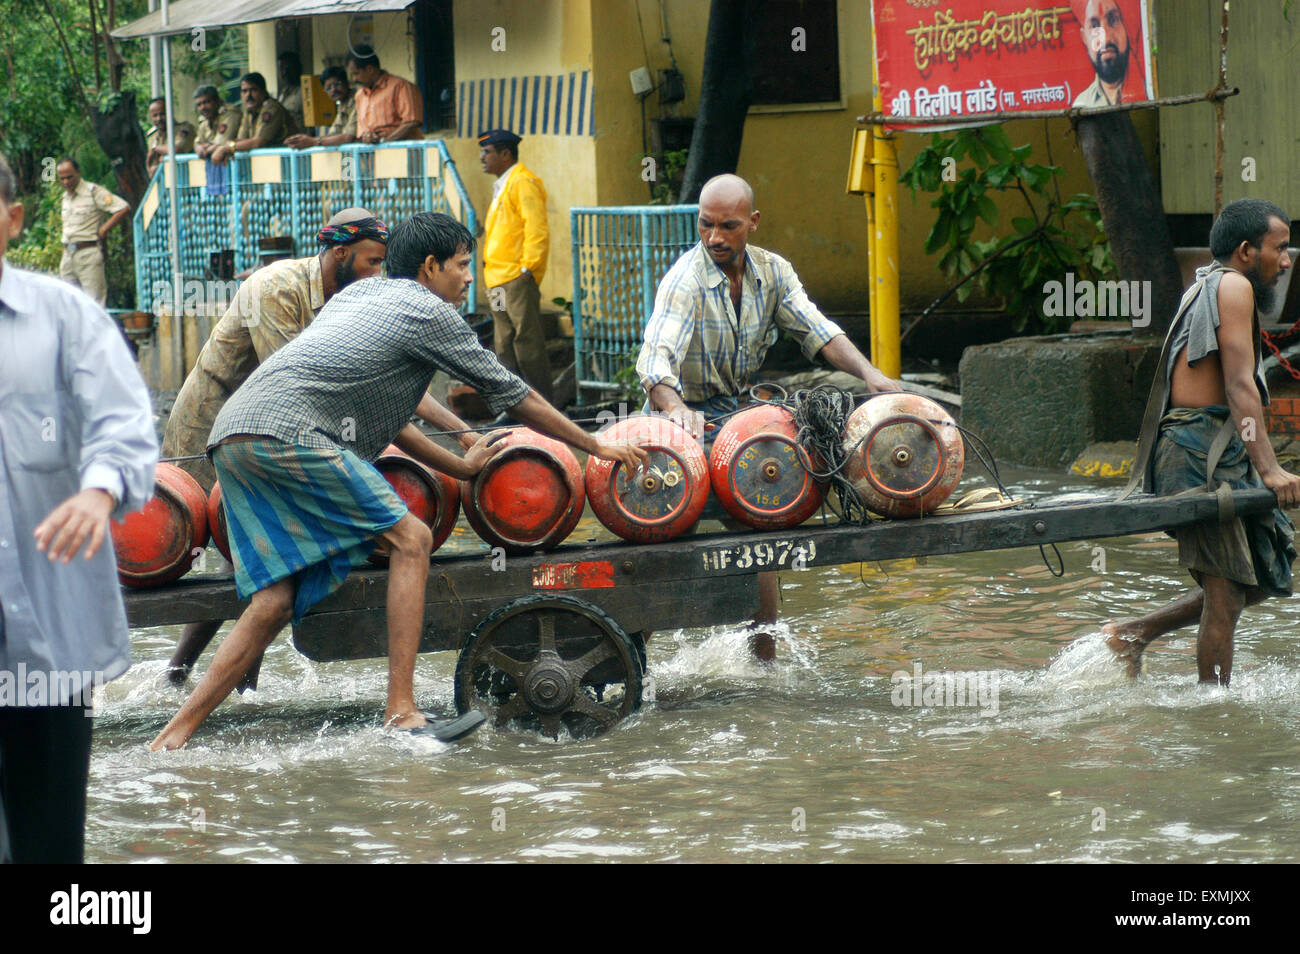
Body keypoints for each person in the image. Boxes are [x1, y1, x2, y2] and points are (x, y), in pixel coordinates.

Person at [148, 212, 647, 750]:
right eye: (461, 266)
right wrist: (594, 445)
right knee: (414, 539)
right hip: (289, 435)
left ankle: (171, 740)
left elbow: (396, 408)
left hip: (235, 437)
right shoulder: (430, 311)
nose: (468, 278)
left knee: (274, 600)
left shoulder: (356, 299)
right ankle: (402, 712)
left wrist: (460, 466)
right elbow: (513, 393)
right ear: (430, 267)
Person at [161, 208, 481, 691]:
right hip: (218, 428)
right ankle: (180, 672)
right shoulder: (276, 290)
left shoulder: (355, 299)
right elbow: (311, 396)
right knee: (234, 552)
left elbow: (385, 386)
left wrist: (462, 431)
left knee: (265, 563)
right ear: (339, 253)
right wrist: (455, 456)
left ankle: (240, 684)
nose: (380, 273)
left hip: (275, 437)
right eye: (373, 262)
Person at [636, 174, 898, 660]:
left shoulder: (774, 272)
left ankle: (765, 662)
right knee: (667, 544)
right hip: (680, 417)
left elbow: (817, 330)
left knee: (762, 528)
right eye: (706, 225)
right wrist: (675, 410)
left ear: (752, 223)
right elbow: (655, 359)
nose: (714, 237)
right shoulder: (685, 281)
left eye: (727, 226)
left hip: (738, 414)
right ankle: (629, 658)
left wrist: (870, 374)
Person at [0, 151, 158, 862]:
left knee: (48, 842)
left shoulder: (64, 317)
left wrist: (98, 492)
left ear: (11, 217)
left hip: (47, 630)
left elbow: (123, 423)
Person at [1104, 199, 1300, 684]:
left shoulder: (1211, 281)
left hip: (1215, 448)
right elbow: (1239, 386)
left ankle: (1135, 631)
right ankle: (1215, 713)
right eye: (1280, 247)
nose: (1288, 259)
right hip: (1198, 453)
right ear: (1245, 251)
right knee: (1227, 593)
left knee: (1263, 569)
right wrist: (1271, 470)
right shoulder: (1231, 285)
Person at [479, 128, 552, 402]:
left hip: (515, 278)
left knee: (527, 344)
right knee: (504, 344)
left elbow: (536, 228)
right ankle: (515, 407)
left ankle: (545, 407)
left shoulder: (523, 181)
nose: (482, 158)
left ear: (505, 154)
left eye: (487, 152)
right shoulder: (504, 184)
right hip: (497, 278)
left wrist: (528, 268)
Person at [56, 158, 129, 308]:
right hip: (68, 255)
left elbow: (122, 208)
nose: (66, 182)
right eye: (62, 178)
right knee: (68, 304)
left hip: (88, 254)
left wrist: (104, 229)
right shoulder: (65, 197)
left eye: (69, 177)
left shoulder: (93, 192)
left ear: (78, 173)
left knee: (94, 305)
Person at [210, 73, 298, 164]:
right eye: (244, 91)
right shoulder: (249, 111)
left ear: (263, 92)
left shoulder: (272, 109)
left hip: (290, 163)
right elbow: (241, 139)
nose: (248, 95)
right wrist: (228, 146)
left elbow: (258, 142)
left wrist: (228, 147)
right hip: (272, 164)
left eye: (253, 90)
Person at [349, 46, 423, 143]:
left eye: (356, 73)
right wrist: (367, 137)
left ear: (370, 69)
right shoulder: (360, 95)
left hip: (402, 152)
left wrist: (386, 141)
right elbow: (362, 131)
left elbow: (412, 122)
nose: (354, 79)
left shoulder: (400, 86)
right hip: (374, 154)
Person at [1071, 0, 1134, 108]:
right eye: (1095, 26)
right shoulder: (1082, 104)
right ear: (1084, 38)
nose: (1106, 38)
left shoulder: (1146, 92)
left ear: (1126, 27)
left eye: (1113, 20)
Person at [285, 66, 357, 149]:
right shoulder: (342, 104)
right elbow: (334, 134)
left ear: (347, 83)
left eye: (337, 84)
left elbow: (348, 137)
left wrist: (313, 141)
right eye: (328, 87)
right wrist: (301, 140)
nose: (333, 89)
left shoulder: (357, 99)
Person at [145, 97, 196, 178]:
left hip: (185, 181)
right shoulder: (152, 136)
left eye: (162, 114)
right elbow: (152, 164)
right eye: (155, 115)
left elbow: (176, 150)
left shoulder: (184, 129)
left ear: (170, 112)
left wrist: (155, 149)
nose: (159, 119)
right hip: (163, 183)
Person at [193, 85, 240, 162]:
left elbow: (222, 142)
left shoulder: (229, 113)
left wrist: (206, 149)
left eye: (206, 102)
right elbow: (197, 142)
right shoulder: (204, 119)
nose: (203, 107)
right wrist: (198, 147)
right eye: (199, 105)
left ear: (217, 101)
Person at [276, 51, 306, 132]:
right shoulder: (282, 94)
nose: (285, 72)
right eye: (281, 68)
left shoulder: (305, 93)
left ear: (298, 68)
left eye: (289, 68)